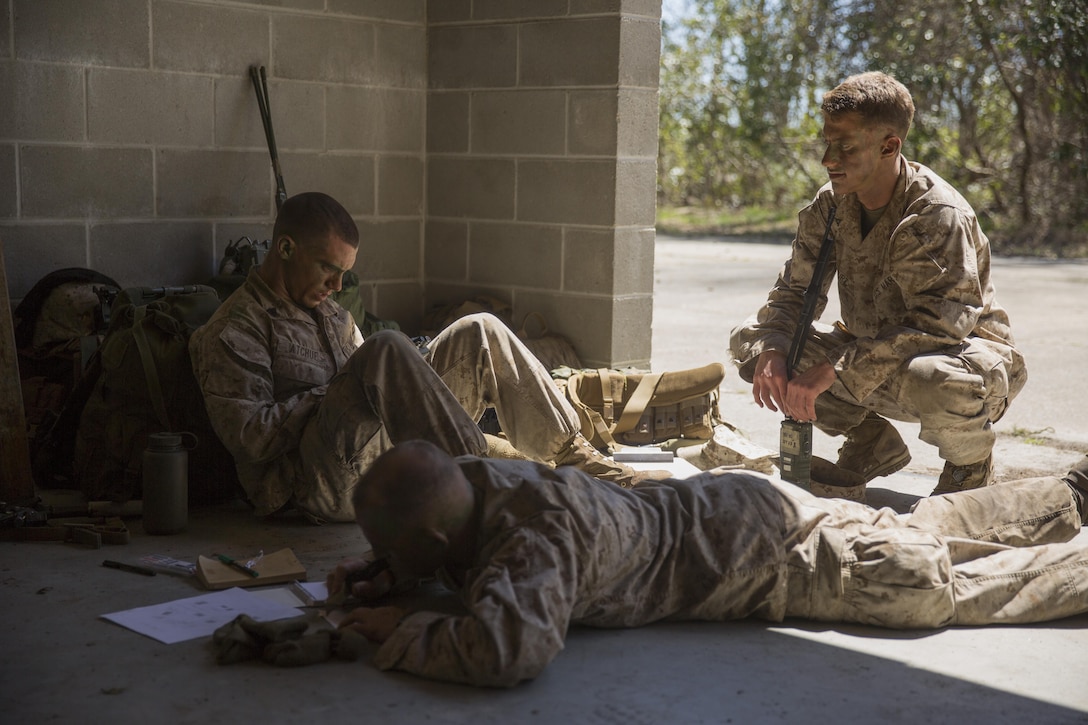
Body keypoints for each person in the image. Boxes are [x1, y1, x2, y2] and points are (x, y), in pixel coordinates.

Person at [328, 440, 1088, 687]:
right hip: (741, 501)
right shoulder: (484, 477)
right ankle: (1071, 490)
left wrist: (402, 627)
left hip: (790, 556)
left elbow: (508, 646)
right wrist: (397, 567)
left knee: (934, 583)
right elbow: (441, 511)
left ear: (432, 541)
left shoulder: (537, 543)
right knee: (923, 519)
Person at [190, 191, 659, 523]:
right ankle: (479, 491)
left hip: (377, 456)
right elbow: (249, 439)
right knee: (386, 347)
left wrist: (402, 375)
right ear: (286, 248)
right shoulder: (237, 327)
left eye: (344, 274)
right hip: (312, 487)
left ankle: (585, 466)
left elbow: (371, 391)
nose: (337, 288)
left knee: (480, 329)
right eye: (328, 269)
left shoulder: (329, 312)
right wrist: (339, 388)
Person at [729, 72, 1026, 497]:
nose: (828, 158)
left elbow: (938, 327)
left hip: (960, 363)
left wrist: (835, 368)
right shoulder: (831, 204)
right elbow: (793, 292)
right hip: (871, 353)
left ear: (889, 146)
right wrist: (775, 348)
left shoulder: (935, 213)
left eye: (845, 146)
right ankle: (872, 440)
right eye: (828, 143)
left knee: (935, 379)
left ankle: (970, 467)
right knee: (751, 342)